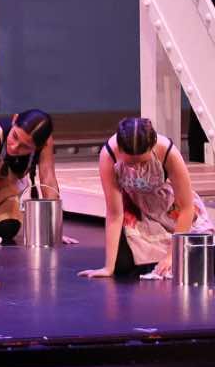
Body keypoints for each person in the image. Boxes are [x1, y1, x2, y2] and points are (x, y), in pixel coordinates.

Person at [80, 116, 214, 280]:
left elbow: (186, 208)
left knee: (198, 255)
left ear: (152, 147)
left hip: (169, 208)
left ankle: (168, 256)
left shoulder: (167, 151)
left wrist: (172, 256)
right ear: (120, 150)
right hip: (136, 209)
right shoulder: (109, 155)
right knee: (122, 265)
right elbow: (114, 213)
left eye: (143, 162)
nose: (137, 168)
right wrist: (108, 268)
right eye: (131, 163)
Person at [0, 108, 59, 243]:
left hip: (2, 192)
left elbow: (48, 178)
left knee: (8, 228)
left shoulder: (45, 142)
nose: (14, 147)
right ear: (14, 119)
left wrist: (53, 230)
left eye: (25, 147)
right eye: (15, 136)